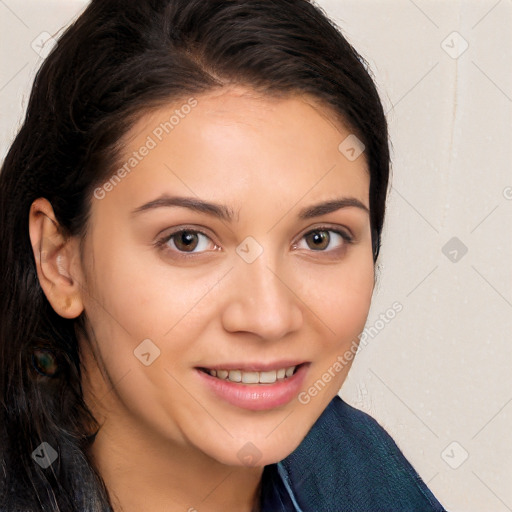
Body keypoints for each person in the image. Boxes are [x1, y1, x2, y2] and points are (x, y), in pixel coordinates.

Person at [0, 1, 447, 511]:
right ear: (59, 260)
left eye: (320, 238)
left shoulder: (363, 474)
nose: (269, 317)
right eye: (187, 240)